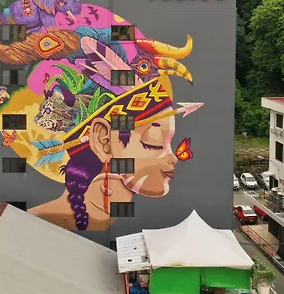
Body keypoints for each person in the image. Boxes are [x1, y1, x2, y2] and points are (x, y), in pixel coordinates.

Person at [28, 77, 189, 231]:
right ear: (103, 141)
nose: (173, 158)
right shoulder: (30, 227)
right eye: (153, 142)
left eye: (169, 143)